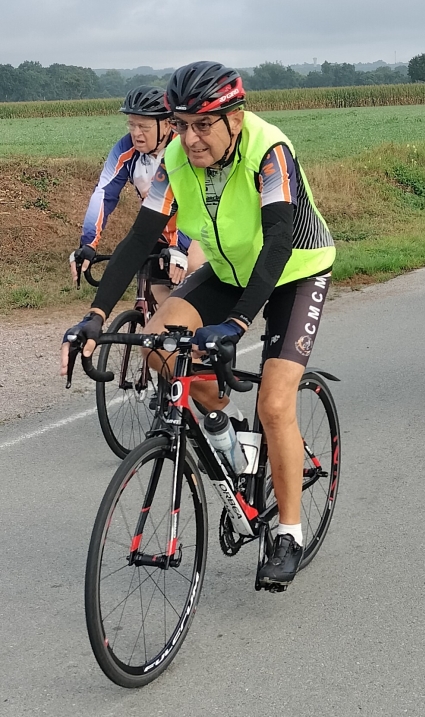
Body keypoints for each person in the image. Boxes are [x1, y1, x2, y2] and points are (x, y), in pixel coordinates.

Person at [61, 61, 336, 590]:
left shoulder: (269, 151)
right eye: (182, 125)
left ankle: (289, 532)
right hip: (231, 270)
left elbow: (278, 242)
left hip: (295, 270)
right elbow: (140, 238)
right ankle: (226, 431)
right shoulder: (174, 161)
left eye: (203, 125)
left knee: (275, 402)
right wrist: (95, 316)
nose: (190, 138)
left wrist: (237, 321)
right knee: (159, 347)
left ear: (235, 119)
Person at [70, 86, 203, 305]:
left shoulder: (184, 149)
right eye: (131, 125)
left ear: (167, 124)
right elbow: (104, 194)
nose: (136, 133)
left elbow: (192, 203)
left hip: (196, 230)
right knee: (156, 294)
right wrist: (88, 244)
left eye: (144, 126)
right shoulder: (126, 149)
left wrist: (179, 247)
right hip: (158, 231)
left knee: (192, 272)